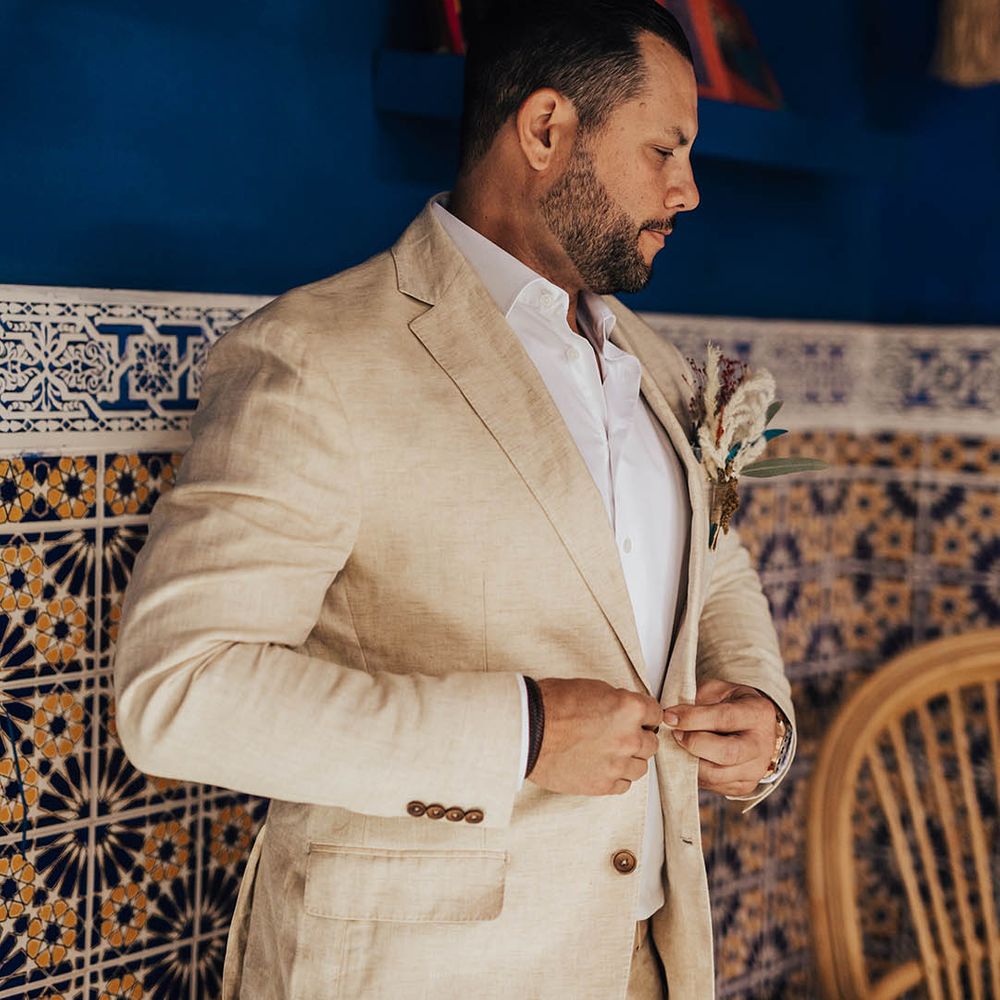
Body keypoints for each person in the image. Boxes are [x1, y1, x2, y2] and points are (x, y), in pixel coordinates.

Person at [113, 1, 795, 997]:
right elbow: (176, 694)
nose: (687, 191)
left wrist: (758, 706)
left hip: (646, 958)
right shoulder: (320, 359)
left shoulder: (659, 372)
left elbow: (712, 567)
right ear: (545, 129)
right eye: (663, 149)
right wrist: (516, 733)